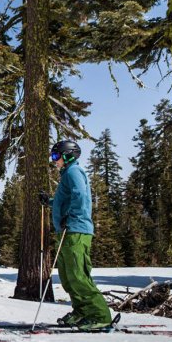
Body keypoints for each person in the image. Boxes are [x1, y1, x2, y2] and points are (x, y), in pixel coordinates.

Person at [39, 140, 113, 330]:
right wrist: (51, 202)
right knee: (68, 276)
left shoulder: (73, 171)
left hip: (76, 230)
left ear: (67, 155)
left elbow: (80, 195)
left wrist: (69, 217)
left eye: (56, 156)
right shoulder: (67, 174)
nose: (53, 160)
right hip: (67, 230)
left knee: (78, 275)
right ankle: (82, 311)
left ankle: (99, 315)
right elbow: (69, 197)